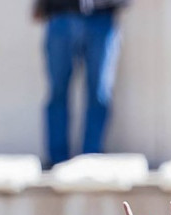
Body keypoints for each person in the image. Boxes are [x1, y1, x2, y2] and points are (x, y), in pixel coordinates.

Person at [32, 0, 129, 166]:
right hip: (61, 14)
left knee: (100, 93)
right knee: (57, 92)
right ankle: (57, 161)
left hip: (102, 16)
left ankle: (91, 161)